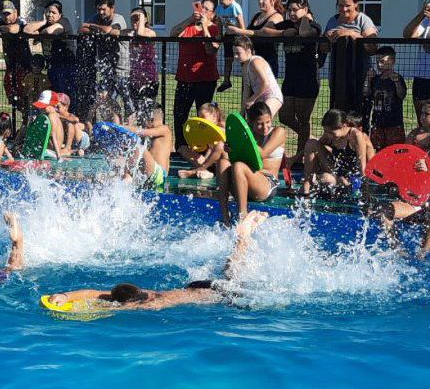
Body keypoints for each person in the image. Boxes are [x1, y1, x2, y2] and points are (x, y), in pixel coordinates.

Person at [45, 210, 269, 312]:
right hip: (196, 288)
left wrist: (70, 301)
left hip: (213, 295)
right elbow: (97, 293)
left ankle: (243, 237)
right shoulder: (144, 295)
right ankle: (243, 238)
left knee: (237, 282)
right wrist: (65, 296)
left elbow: (102, 300)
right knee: (230, 273)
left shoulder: (152, 304)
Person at [375, 115, 430, 258]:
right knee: (386, 211)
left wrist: (429, 173)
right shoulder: (425, 154)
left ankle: (422, 253)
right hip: (423, 202)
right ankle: (398, 250)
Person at [264, 0, 322, 164]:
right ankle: (309, 138)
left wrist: (306, 19)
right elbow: (266, 29)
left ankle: (300, 155)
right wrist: (282, 32)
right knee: (285, 116)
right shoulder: (287, 25)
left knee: (304, 119)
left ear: (305, 9)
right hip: (290, 79)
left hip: (308, 79)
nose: (291, 13)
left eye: (296, 9)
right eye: (289, 9)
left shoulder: (314, 26)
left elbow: (305, 33)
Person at [216, 102, 287, 225]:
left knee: (238, 166)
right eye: (259, 124)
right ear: (251, 123)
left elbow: (263, 153)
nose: (265, 127)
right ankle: (224, 214)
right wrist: (231, 147)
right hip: (244, 182)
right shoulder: (249, 134)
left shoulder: (279, 132)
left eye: (268, 122)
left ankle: (242, 216)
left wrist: (242, 140)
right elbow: (236, 158)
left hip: (267, 184)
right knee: (223, 160)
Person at [170, 0, 221, 153]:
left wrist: (205, 27)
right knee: (179, 115)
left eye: (206, 9)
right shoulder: (189, 27)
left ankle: (204, 149)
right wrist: (191, 19)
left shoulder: (215, 29)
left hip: (205, 80)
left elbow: (211, 50)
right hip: (185, 79)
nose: (202, 11)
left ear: (212, 14)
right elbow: (173, 33)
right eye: (201, 7)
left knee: (204, 117)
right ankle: (181, 147)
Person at [322, 0, 379, 112]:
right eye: (340, 5)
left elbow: (373, 48)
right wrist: (326, 37)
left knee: (359, 113)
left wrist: (351, 34)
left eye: (347, 5)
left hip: (361, 75)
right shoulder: (332, 21)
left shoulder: (363, 20)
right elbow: (323, 49)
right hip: (338, 76)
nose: (344, 9)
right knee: (339, 113)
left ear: (356, 5)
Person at [78, 0, 132, 117]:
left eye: (104, 9)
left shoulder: (119, 18)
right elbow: (80, 29)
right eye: (99, 9)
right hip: (106, 69)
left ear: (112, 8)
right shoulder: (96, 17)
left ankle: (130, 129)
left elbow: (109, 30)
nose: (101, 12)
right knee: (107, 102)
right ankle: (113, 128)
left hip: (121, 69)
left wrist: (91, 26)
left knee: (127, 102)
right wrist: (97, 28)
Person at [300, 108, 371, 197]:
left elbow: (362, 166)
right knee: (311, 143)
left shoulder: (356, 136)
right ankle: (306, 185)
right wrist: (293, 159)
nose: (328, 135)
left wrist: (365, 192)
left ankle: (321, 182)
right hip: (335, 171)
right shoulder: (329, 135)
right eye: (325, 131)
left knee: (326, 178)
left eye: (331, 132)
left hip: (350, 178)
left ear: (344, 126)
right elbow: (312, 148)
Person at [0, 0, 32, 115]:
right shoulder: (0, 22)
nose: (6, 17)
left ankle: (27, 119)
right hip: (10, 66)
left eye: (8, 14)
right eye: (4, 14)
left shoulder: (21, 20)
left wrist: (2, 29)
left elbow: (12, 29)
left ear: (15, 12)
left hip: (24, 66)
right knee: (12, 96)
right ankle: (21, 119)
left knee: (26, 97)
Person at [23, 0, 76, 101]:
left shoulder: (64, 22)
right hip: (52, 68)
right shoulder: (44, 24)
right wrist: (42, 22)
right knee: (52, 98)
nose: (50, 14)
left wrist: (39, 33)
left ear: (60, 14)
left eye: (53, 12)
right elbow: (26, 30)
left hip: (66, 68)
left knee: (64, 98)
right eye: (47, 11)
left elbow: (50, 32)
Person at [363, 46, 408, 150]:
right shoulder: (375, 79)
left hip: (394, 122)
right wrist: (368, 79)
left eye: (382, 61)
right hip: (377, 122)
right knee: (378, 149)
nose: (379, 64)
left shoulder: (397, 78)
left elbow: (402, 95)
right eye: (377, 61)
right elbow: (366, 93)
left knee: (395, 150)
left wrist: (397, 83)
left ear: (392, 61)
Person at [238, 0, 285, 79]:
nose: (260, 1)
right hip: (251, 63)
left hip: (267, 64)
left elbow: (263, 32)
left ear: (273, 0)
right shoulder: (257, 16)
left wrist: (238, 31)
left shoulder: (277, 17)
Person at [234, 37, 283, 117]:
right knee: (253, 123)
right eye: (234, 53)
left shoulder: (255, 62)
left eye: (238, 53)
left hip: (272, 96)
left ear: (248, 51)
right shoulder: (244, 67)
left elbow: (266, 83)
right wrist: (242, 112)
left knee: (262, 118)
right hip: (260, 97)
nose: (235, 56)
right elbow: (246, 91)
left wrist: (252, 99)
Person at [126, 104, 172, 190]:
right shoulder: (154, 134)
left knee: (139, 146)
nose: (143, 123)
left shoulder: (165, 129)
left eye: (144, 120)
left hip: (159, 174)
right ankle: (127, 176)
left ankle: (127, 177)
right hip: (151, 174)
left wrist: (122, 127)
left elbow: (142, 132)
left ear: (151, 120)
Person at [125, 6, 158, 123]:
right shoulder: (130, 33)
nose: (135, 21)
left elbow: (140, 33)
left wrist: (142, 18)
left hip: (149, 79)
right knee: (135, 111)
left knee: (148, 111)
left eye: (137, 18)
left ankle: (149, 138)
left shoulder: (151, 32)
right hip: (135, 78)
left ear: (145, 20)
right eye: (133, 19)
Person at [178, 102, 226, 180]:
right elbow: (210, 148)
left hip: (221, 162)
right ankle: (206, 171)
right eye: (199, 117)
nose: (200, 120)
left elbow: (218, 150)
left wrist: (204, 163)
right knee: (182, 149)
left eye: (203, 117)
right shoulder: (207, 129)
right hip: (210, 162)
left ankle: (201, 170)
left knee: (219, 147)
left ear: (214, 117)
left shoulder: (222, 128)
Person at [214, 0, 247, 92]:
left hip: (237, 36)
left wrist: (242, 37)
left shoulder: (235, 7)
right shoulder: (219, 7)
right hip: (228, 36)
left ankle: (247, 79)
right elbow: (218, 22)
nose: (220, 1)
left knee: (242, 59)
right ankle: (226, 81)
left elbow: (242, 25)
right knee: (228, 59)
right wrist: (219, 33)